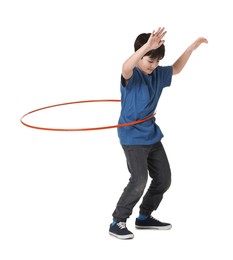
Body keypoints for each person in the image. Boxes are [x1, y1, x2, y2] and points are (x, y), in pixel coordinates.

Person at [109, 27, 208, 239]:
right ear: (140, 56)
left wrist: (192, 47)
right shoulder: (132, 75)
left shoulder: (157, 74)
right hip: (132, 136)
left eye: (157, 61)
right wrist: (147, 46)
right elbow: (125, 66)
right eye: (149, 60)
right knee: (139, 180)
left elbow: (176, 69)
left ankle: (144, 217)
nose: (153, 66)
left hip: (151, 133)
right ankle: (118, 220)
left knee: (164, 178)